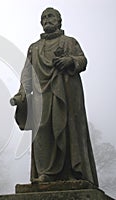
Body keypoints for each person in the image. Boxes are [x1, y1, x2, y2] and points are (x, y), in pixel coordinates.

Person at [11, 7, 98, 185]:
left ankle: (73, 172)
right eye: (43, 17)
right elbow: (27, 74)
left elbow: (82, 60)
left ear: (59, 21)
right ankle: (46, 173)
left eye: (51, 16)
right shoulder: (34, 48)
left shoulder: (69, 42)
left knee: (68, 130)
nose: (46, 19)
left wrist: (70, 61)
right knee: (43, 133)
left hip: (66, 94)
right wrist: (22, 94)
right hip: (41, 98)